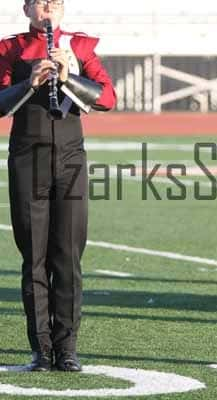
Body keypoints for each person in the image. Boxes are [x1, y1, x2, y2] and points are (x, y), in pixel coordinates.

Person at [0, 0, 116, 372]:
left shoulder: (80, 48)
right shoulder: (9, 49)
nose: (48, 9)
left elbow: (108, 100)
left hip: (70, 161)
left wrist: (68, 76)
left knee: (68, 255)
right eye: (40, 3)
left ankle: (67, 347)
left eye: (55, 3)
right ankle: (42, 348)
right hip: (27, 159)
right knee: (33, 256)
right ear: (27, 10)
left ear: (62, 10)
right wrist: (29, 81)